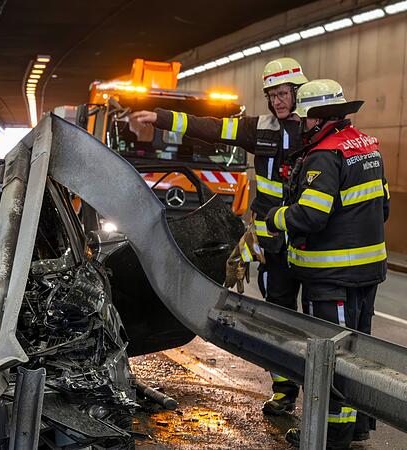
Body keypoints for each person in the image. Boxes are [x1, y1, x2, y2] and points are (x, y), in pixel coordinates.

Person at [128, 57, 307, 415]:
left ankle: (333, 400)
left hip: (308, 239)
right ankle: (285, 391)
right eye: (272, 95)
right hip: (273, 241)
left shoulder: (314, 130)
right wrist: (160, 117)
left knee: (318, 322)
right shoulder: (260, 129)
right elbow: (208, 128)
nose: (278, 101)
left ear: (298, 93)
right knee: (277, 318)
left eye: (284, 93)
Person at [265, 79, 389, 448]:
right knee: (359, 354)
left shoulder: (324, 155)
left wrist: (276, 217)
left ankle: (332, 435)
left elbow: (312, 216)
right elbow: (385, 207)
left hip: (332, 275)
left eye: (305, 120)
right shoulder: (367, 146)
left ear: (318, 119)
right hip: (368, 272)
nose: (302, 126)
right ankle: (358, 426)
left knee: (331, 357)